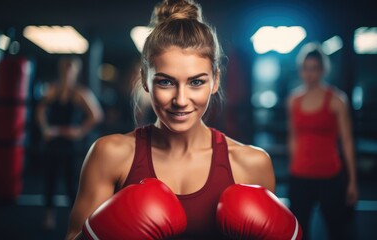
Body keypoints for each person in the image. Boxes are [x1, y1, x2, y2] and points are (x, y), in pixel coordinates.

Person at [65, 1, 278, 239]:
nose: (181, 100)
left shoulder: (252, 164)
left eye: (196, 82)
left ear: (215, 80)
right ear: (145, 80)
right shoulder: (110, 154)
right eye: (165, 81)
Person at [287, 43, 358, 240]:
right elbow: (293, 138)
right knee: (298, 232)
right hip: (300, 175)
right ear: (301, 70)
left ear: (323, 70)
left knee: (337, 231)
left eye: (314, 69)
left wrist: (352, 181)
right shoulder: (293, 100)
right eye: (306, 69)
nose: (310, 74)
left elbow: (347, 142)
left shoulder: (337, 100)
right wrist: (293, 167)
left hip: (330, 175)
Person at [36, 56, 104, 230]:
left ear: (76, 71)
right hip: (54, 141)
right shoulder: (53, 90)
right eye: (65, 68)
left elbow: (96, 115)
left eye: (70, 68)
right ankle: (48, 217)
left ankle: (75, 218)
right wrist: (45, 129)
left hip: (70, 144)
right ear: (61, 70)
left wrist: (79, 131)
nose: (68, 71)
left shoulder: (80, 93)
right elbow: (40, 109)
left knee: (72, 182)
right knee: (50, 179)